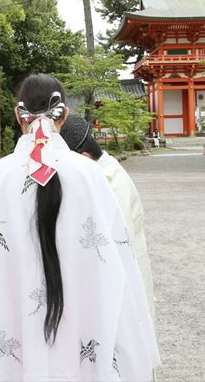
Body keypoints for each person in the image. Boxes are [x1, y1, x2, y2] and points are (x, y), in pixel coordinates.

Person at [0, 75, 160, 381]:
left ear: (18, 115)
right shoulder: (89, 174)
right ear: (64, 115)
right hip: (80, 318)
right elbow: (116, 258)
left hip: (14, 319)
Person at [60, 114, 156, 323]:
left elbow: (115, 249)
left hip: (123, 292)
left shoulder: (112, 184)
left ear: (83, 157)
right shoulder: (102, 173)